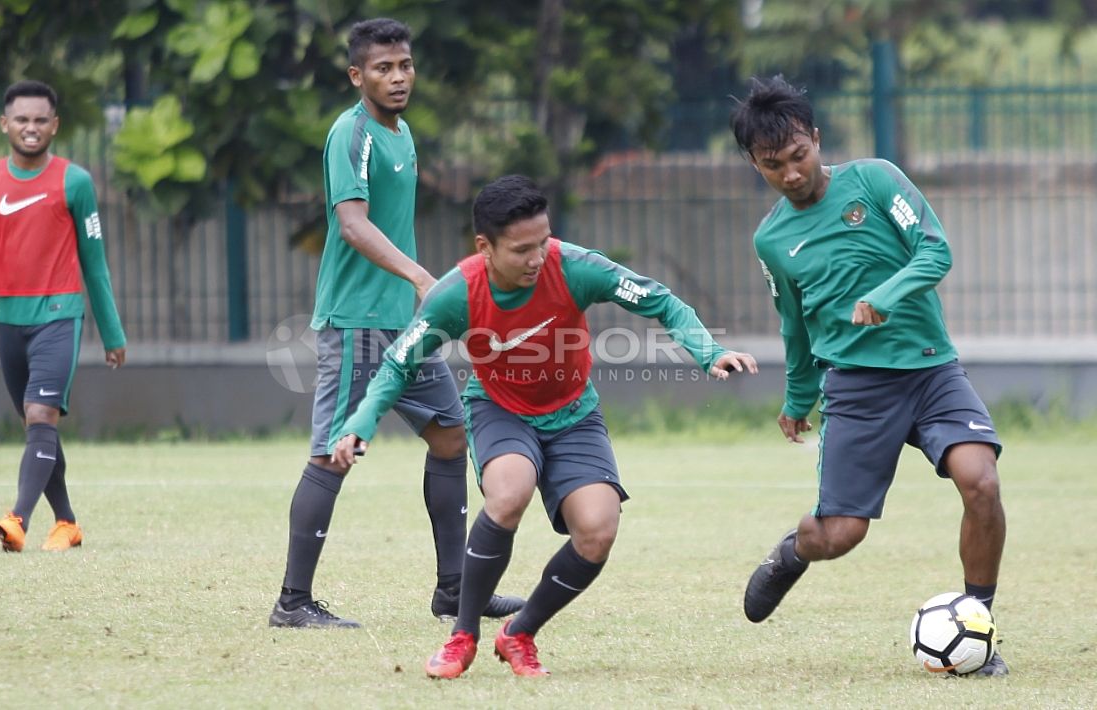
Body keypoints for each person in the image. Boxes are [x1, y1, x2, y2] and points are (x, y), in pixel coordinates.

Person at [331, 174, 758, 677]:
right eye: (521, 250)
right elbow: (398, 363)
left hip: (574, 414)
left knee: (598, 531)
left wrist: (709, 352)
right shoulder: (456, 294)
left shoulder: (573, 267)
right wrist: (360, 423)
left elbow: (658, 298)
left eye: (543, 242)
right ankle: (462, 636)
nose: (537, 258)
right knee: (509, 492)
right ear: (484, 247)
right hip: (499, 410)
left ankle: (519, 633)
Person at [730, 75, 1008, 676]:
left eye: (800, 155)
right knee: (840, 535)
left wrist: (886, 293)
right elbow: (794, 324)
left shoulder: (876, 179)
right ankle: (792, 553)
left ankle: (979, 622)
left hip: (932, 371)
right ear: (756, 165)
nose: (792, 173)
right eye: (774, 165)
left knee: (980, 481)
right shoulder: (772, 239)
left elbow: (935, 250)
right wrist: (797, 396)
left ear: (817, 139)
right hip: (855, 387)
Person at [269, 18, 522, 629]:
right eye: (383, 68)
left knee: (450, 434)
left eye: (404, 65)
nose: (398, 77)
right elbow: (352, 223)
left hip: (402, 327)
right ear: (358, 76)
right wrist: (418, 276)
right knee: (335, 454)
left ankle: (456, 591)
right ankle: (293, 603)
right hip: (356, 323)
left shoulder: (401, 133)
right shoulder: (350, 134)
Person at [0, 80, 127, 553]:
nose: (31, 128)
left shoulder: (75, 182)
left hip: (60, 315)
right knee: (37, 425)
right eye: (22, 119)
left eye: (41, 120)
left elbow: (94, 261)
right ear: (5, 124)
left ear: (55, 125)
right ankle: (67, 523)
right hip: (9, 320)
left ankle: (17, 519)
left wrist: (112, 332)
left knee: (41, 412)